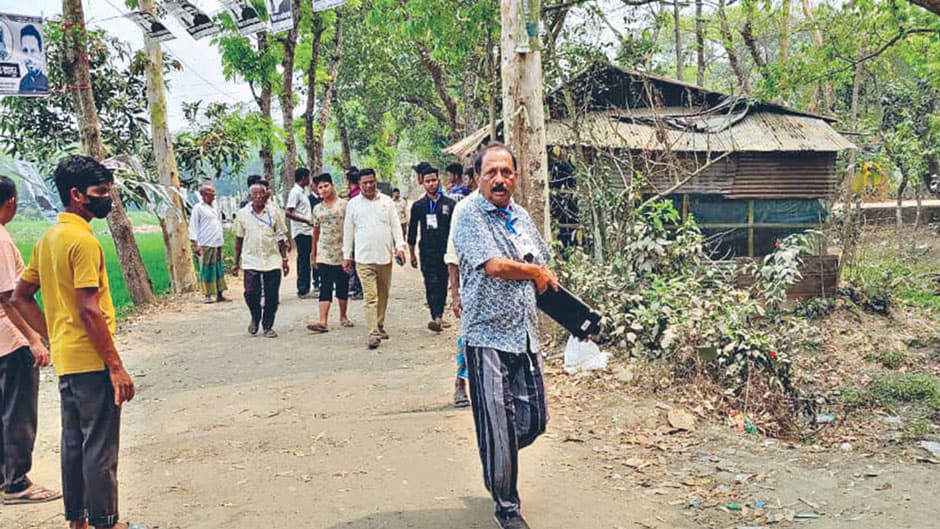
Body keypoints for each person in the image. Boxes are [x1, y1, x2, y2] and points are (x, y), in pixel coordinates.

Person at [13, 155, 147, 529]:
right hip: (91, 359)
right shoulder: (83, 242)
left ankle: (78, 521)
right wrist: (116, 366)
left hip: (68, 360)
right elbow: (89, 309)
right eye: (99, 193)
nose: (107, 199)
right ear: (76, 195)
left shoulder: (49, 238)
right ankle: (108, 522)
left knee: (75, 444)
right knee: (101, 447)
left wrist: (52, 336)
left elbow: (20, 296)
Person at [453, 143, 558, 529]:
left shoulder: (521, 216)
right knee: (498, 426)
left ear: (516, 176)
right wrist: (535, 273)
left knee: (534, 421)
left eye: (506, 172)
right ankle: (507, 508)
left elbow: (540, 261)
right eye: (491, 173)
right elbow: (495, 266)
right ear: (477, 177)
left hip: (525, 335)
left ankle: (496, 457)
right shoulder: (468, 214)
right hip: (487, 337)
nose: (500, 179)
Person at [0, 175, 60, 505]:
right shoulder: (2, 241)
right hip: (10, 340)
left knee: (3, 410)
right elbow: (9, 298)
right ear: (10, 203)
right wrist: (36, 340)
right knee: (19, 411)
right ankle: (17, 482)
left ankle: (4, 476)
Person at [342, 168, 406, 349]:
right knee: (370, 297)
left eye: (371, 182)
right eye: (365, 183)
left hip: (385, 257)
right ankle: (373, 333)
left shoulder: (387, 202)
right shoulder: (353, 205)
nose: (369, 186)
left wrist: (399, 247)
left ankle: (379, 324)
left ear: (375, 181)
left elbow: (396, 227)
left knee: (383, 294)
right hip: (364, 258)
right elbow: (348, 232)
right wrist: (347, 256)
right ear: (359, 184)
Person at [232, 183, 290, 338]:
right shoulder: (243, 214)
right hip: (251, 259)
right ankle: (255, 316)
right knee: (251, 293)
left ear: (267, 195)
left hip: (272, 259)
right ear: (250, 196)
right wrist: (235, 263)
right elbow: (238, 240)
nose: (258, 197)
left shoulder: (274, 212)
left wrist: (284, 259)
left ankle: (267, 325)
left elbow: (280, 236)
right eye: (255, 194)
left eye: (261, 194)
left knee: (272, 295)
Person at [443, 165, 479, 408]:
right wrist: (455, 294)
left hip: (506, 292)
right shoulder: (464, 209)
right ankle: (460, 384)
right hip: (472, 288)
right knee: (467, 338)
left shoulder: (512, 208)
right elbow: (453, 253)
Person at [408, 164, 455, 333]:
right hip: (427, 251)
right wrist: (412, 253)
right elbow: (412, 231)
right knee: (431, 282)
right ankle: (435, 317)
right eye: (427, 181)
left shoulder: (450, 204)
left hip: (445, 251)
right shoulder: (419, 206)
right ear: (423, 183)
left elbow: (455, 230)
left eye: (434, 180)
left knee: (442, 283)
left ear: (439, 181)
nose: (431, 184)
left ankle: (439, 315)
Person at [307, 173, 353, 333]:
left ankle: (343, 316)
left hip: (342, 252)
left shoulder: (345, 205)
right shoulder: (317, 209)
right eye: (320, 187)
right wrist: (313, 253)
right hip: (324, 252)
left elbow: (351, 228)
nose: (323, 189)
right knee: (325, 285)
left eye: (326, 185)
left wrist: (351, 252)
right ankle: (323, 321)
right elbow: (316, 232)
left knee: (342, 284)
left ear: (332, 185)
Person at [188, 183, 229, 304]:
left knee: (218, 268)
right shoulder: (198, 208)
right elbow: (193, 226)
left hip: (217, 241)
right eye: (211, 193)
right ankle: (207, 294)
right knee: (207, 269)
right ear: (204, 195)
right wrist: (196, 244)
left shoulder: (215, 206)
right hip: (205, 242)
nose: (214, 195)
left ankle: (220, 293)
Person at [286, 168, 316, 299]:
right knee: (303, 259)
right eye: (308, 177)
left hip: (306, 230)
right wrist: (305, 220)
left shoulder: (301, 192)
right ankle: (303, 289)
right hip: (301, 231)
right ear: (303, 178)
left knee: (306, 258)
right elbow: (288, 212)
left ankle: (306, 287)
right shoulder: (295, 193)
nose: (309, 180)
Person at [344, 167, 363, 300]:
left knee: (356, 261)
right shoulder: (356, 194)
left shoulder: (355, 196)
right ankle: (356, 287)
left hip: (357, 233)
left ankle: (359, 289)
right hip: (358, 233)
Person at [18, 25, 48, 94]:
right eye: (25, 51)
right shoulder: (23, 82)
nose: (29, 57)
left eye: (33, 51)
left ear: (40, 54)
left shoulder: (46, 81)